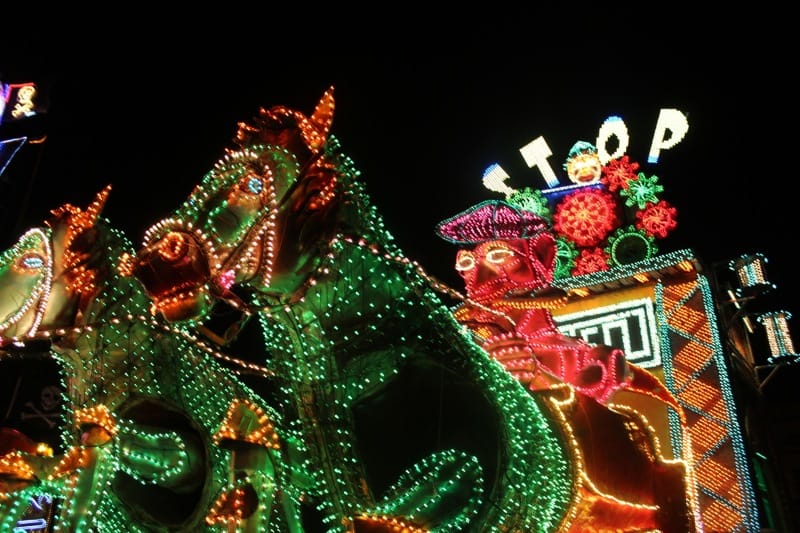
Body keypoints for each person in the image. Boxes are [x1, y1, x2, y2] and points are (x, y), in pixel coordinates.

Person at [436, 199, 700, 532]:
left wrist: (540, 379)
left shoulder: (586, 360)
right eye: (466, 262)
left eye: (499, 255)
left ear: (542, 256)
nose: (482, 276)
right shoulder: (464, 354)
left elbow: (655, 421)